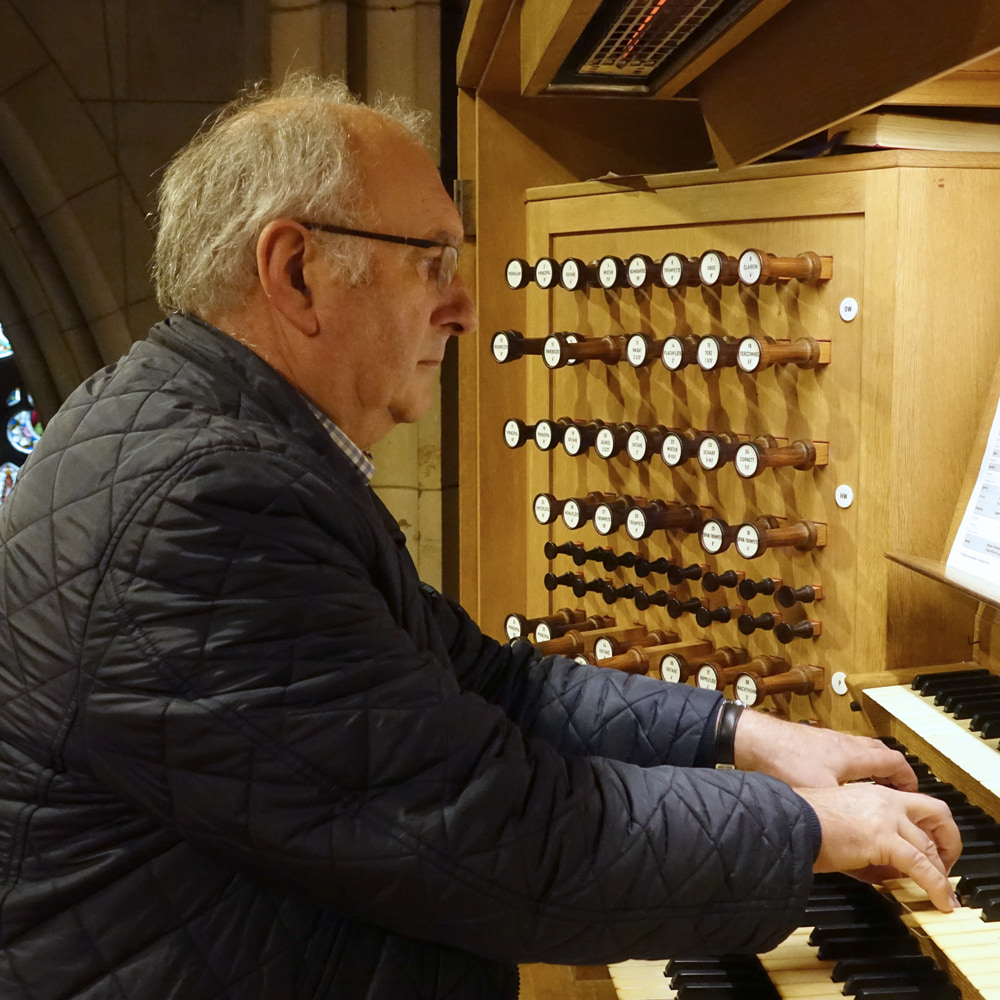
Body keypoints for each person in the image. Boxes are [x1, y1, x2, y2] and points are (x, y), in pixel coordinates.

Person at [0, 75, 960, 1000]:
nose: (464, 309)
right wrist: (804, 830)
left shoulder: (206, 436)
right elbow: (501, 836)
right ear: (296, 271)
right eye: (432, 262)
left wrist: (740, 734)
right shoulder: (205, 506)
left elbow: (495, 680)